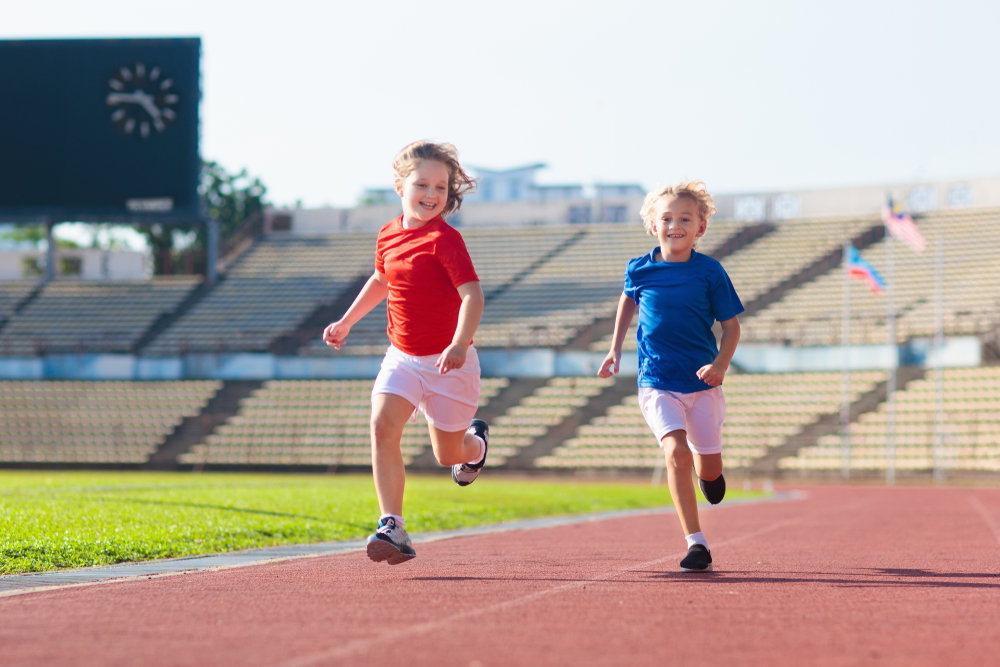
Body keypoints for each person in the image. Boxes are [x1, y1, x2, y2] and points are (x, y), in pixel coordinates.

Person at [323, 141, 489, 565]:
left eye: (440, 186)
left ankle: (476, 446)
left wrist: (457, 342)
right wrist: (346, 321)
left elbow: (472, 296)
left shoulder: (445, 241)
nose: (432, 194)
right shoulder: (388, 233)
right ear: (400, 185)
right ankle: (391, 524)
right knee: (381, 427)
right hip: (403, 356)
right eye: (422, 184)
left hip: (449, 361)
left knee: (447, 455)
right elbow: (382, 280)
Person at [598, 180, 743, 572]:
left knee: (708, 470)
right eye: (666, 218)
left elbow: (732, 328)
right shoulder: (639, 269)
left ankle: (708, 473)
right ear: (652, 225)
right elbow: (628, 298)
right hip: (657, 381)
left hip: (703, 385)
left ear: (700, 228)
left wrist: (720, 365)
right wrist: (615, 348)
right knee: (675, 452)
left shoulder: (710, 272)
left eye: (685, 218)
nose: (674, 224)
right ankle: (697, 543)